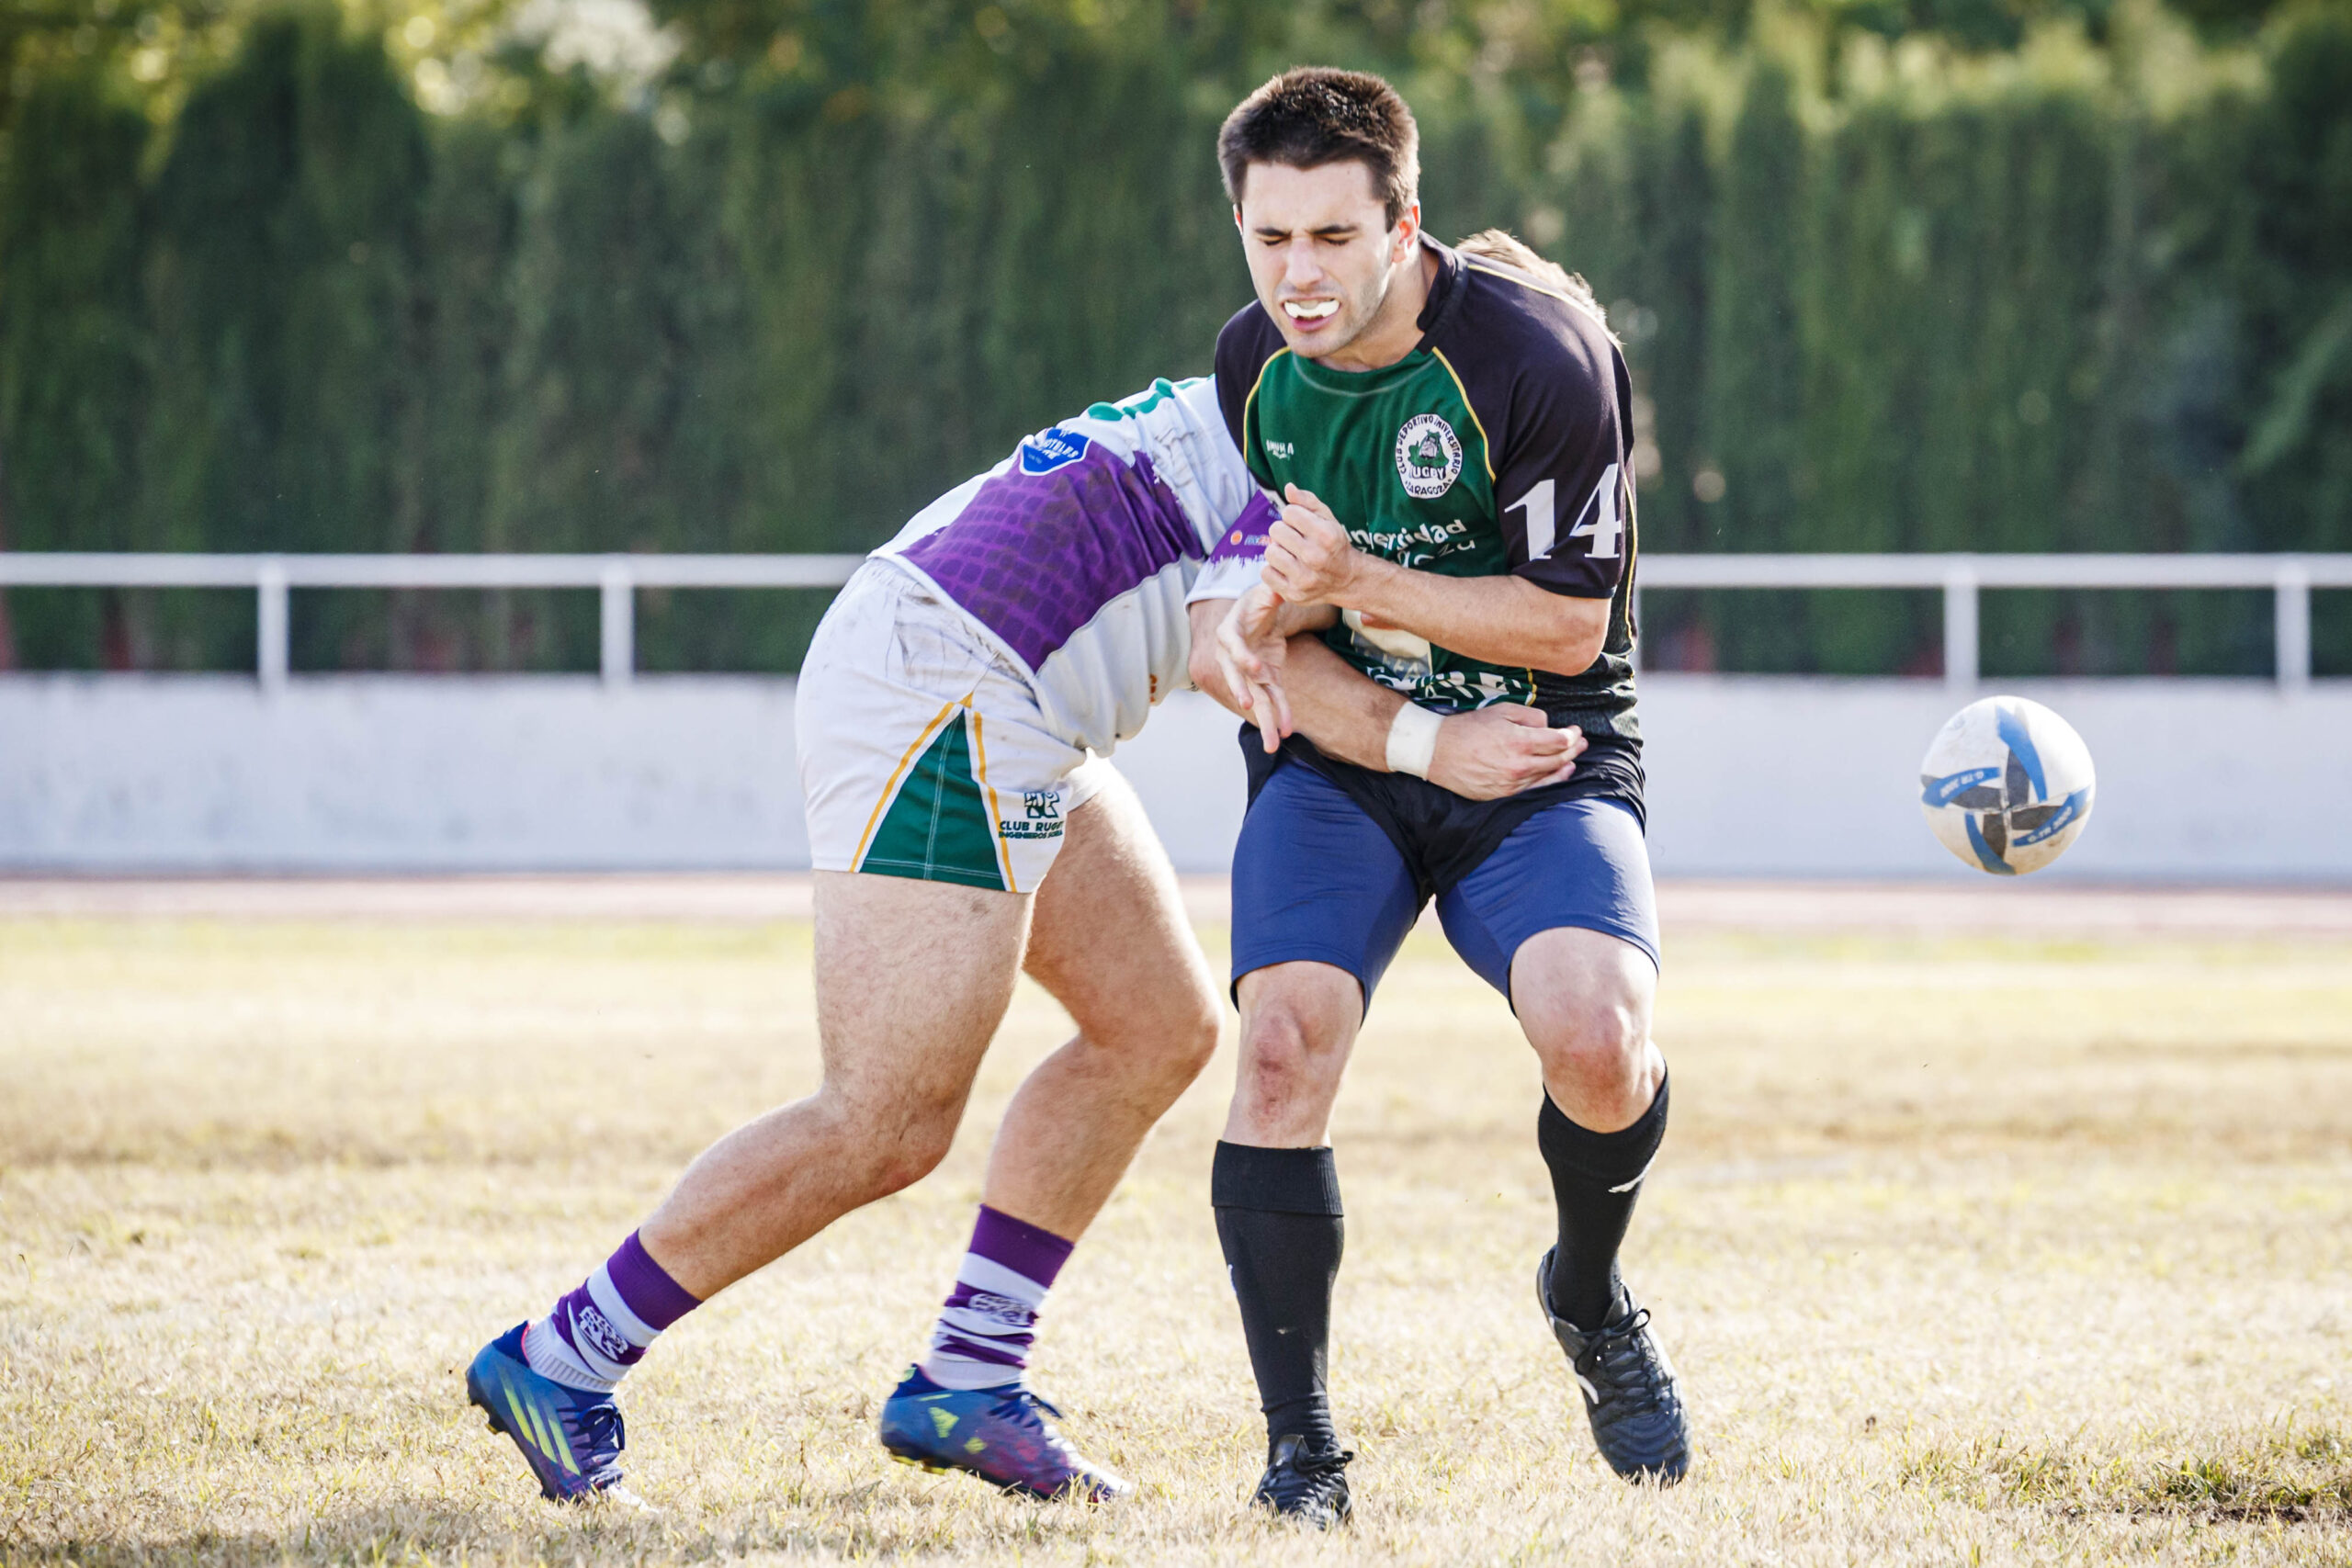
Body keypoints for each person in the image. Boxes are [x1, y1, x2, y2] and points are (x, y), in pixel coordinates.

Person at [458, 373, 1573, 1507]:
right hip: (952, 686)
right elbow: (1240, 655)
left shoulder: (1320, 391)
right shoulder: (1324, 420)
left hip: (1009, 692)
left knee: (1156, 1030)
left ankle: (969, 1379)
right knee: (885, 1119)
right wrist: (1440, 746)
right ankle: (561, 1360)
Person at [1185, 68, 1691, 1528]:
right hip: (1349, 764)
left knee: (1601, 1041)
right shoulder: (1246, 371)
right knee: (1281, 1042)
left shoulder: (1545, 353)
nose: (1299, 276)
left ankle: (1588, 1297)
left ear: (1405, 224)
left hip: (1543, 754)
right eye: (1269, 237)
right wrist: (1386, 716)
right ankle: (1303, 1454)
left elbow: (1565, 630)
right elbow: (1245, 648)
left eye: (1334, 237)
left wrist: (1356, 582)